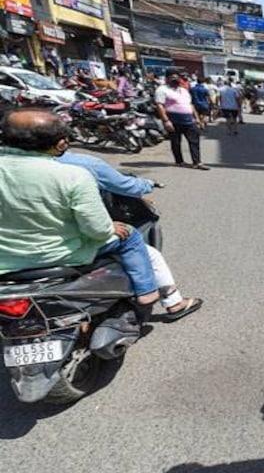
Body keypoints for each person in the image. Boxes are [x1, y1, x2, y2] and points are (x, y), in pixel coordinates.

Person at [0, 109, 202, 318]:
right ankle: (148, 293)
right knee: (130, 236)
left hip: (6, 261)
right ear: (60, 144)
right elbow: (97, 230)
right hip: (62, 254)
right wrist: (109, 226)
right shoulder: (76, 173)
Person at [155, 70, 208, 170]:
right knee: (176, 141)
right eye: (172, 77)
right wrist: (166, 121)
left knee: (194, 140)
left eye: (177, 77)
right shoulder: (162, 90)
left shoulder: (183, 90)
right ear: (167, 79)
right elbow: (159, 105)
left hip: (188, 119)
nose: (175, 79)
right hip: (173, 119)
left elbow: (190, 105)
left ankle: (197, 162)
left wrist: (196, 118)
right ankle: (179, 161)